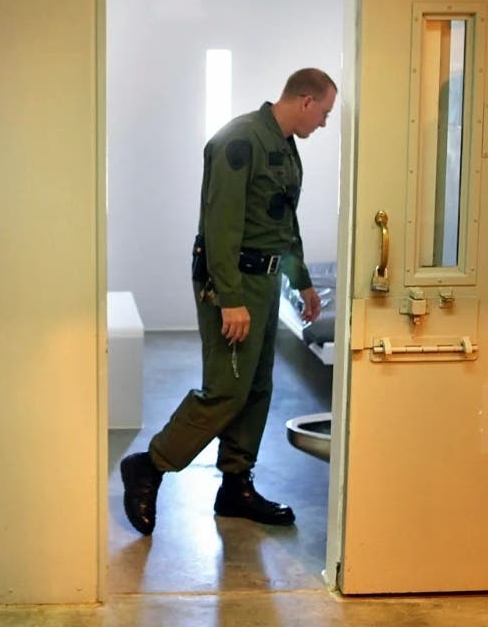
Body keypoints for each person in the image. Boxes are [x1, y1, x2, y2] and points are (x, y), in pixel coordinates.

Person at [120, 67, 336, 535]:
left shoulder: (283, 145)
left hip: (265, 282)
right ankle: (150, 465)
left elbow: (283, 221)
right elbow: (219, 227)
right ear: (304, 100)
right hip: (232, 281)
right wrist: (229, 299)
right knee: (226, 388)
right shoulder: (239, 141)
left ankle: (235, 485)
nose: (324, 124)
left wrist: (301, 281)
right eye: (324, 113)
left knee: (257, 387)